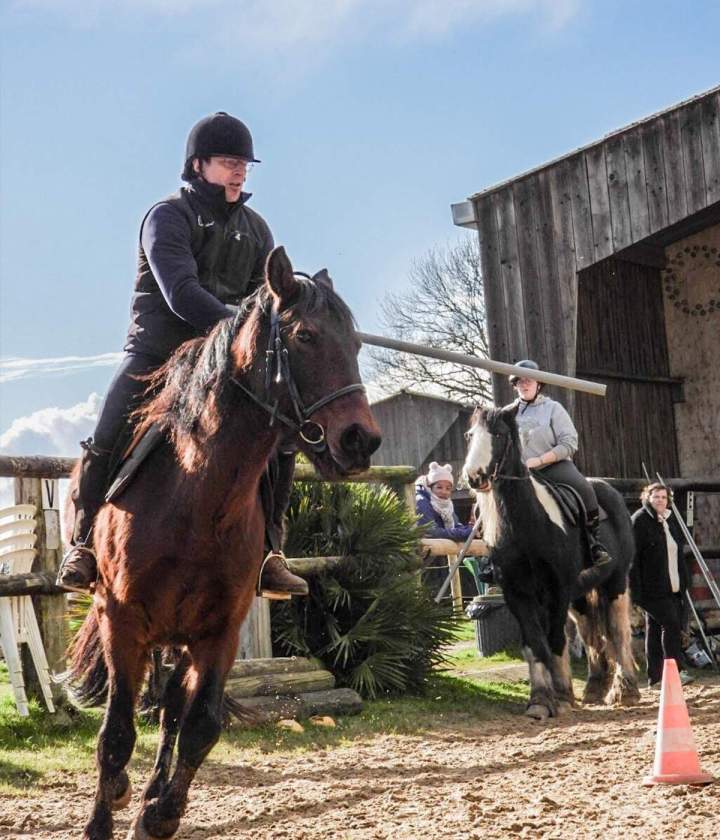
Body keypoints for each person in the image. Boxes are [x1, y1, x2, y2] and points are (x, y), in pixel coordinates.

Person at [57, 111, 307, 599]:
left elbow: (268, 300)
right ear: (198, 164)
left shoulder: (258, 229)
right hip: (158, 352)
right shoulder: (167, 216)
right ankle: (84, 544)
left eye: (244, 164)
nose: (239, 171)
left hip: (226, 365)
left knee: (279, 437)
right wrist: (239, 329)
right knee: (109, 431)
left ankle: (271, 555)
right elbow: (182, 294)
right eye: (229, 162)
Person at [507, 360, 612, 574]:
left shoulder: (553, 408)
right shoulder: (507, 413)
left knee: (583, 487)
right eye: (520, 381)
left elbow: (569, 442)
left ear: (539, 384)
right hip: (520, 473)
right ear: (515, 385)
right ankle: (494, 554)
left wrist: (540, 460)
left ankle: (593, 543)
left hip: (552, 466)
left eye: (529, 380)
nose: (525, 384)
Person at [630, 483, 694, 688]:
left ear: (669, 500)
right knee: (672, 625)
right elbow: (633, 559)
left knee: (655, 630)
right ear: (647, 498)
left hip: (673, 587)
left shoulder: (671, 520)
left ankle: (656, 678)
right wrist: (635, 592)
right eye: (656, 496)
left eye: (664, 497)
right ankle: (675, 673)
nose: (660, 500)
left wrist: (684, 583)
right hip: (651, 589)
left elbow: (678, 553)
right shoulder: (639, 521)